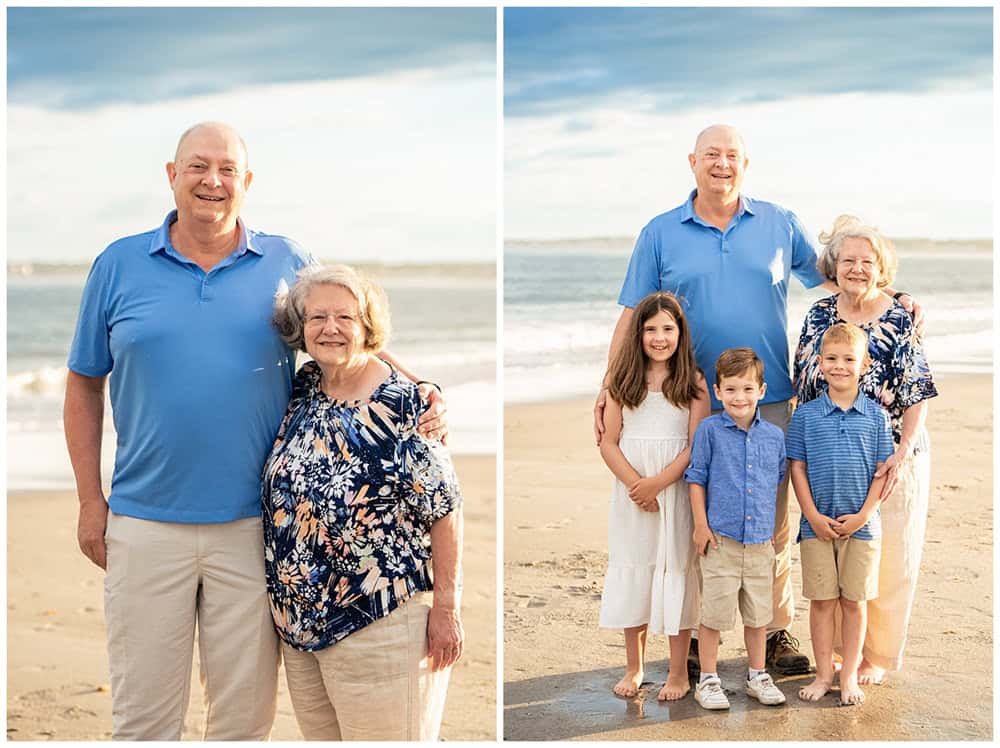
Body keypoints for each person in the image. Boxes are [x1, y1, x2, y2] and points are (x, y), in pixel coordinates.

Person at [63, 122, 446, 740]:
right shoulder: (118, 264)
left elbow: (346, 330)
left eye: (226, 169)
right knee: (142, 720)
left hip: (253, 530)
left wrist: (422, 387)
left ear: (246, 181)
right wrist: (89, 500)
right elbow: (83, 383)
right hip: (141, 525)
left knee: (243, 721)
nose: (212, 181)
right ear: (171, 175)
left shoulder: (285, 261)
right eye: (197, 167)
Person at [595, 124, 922, 676]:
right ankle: (704, 638)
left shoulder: (778, 223)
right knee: (698, 518)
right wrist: (608, 387)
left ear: (746, 164)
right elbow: (633, 313)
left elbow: (839, 278)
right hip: (688, 397)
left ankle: (771, 632)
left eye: (732, 156)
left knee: (769, 520)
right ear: (692, 162)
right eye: (711, 156)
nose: (722, 164)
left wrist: (894, 296)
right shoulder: (658, 232)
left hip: (768, 396)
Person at [264, 264, 462, 740]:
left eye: (346, 318)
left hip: (383, 622)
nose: (330, 328)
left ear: (368, 328)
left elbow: (445, 510)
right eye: (317, 318)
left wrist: (447, 607)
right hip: (302, 631)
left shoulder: (403, 406)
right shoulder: (307, 388)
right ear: (300, 328)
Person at [792, 215, 937, 686]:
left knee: (888, 558)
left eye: (866, 261)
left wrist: (904, 451)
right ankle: (835, 656)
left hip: (888, 455)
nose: (856, 268)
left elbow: (916, 392)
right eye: (848, 260)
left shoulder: (900, 316)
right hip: (828, 453)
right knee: (831, 555)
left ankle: (874, 656)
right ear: (834, 265)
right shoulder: (818, 315)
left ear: (881, 268)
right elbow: (803, 382)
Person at [597, 292, 710, 702]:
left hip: (674, 491)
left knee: (675, 571)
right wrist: (636, 485)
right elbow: (609, 442)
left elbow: (696, 446)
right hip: (632, 494)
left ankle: (678, 671)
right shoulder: (622, 382)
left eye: (667, 328)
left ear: (680, 333)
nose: (659, 338)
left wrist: (658, 483)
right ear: (637, 334)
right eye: (650, 330)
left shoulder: (693, 383)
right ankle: (635, 666)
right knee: (636, 570)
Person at [787, 323, 894, 705]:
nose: (839, 366)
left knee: (854, 603)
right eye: (831, 358)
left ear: (863, 365)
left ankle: (848, 676)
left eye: (848, 359)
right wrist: (812, 515)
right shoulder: (806, 416)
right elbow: (797, 467)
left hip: (863, 529)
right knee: (822, 602)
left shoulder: (877, 417)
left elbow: (883, 473)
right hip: (816, 526)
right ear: (819, 363)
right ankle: (822, 675)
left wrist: (864, 515)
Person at [684, 347, 788, 710]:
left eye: (747, 389)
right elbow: (696, 478)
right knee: (713, 614)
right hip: (720, 539)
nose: (738, 397)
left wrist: (769, 527)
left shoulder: (774, 436)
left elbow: (774, 481)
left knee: (759, 615)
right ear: (717, 391)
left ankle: (757, 674)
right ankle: (709, 679)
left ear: (761, 391)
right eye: (730, 390)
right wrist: (700, 524)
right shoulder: (709, 430)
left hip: (760, 541)